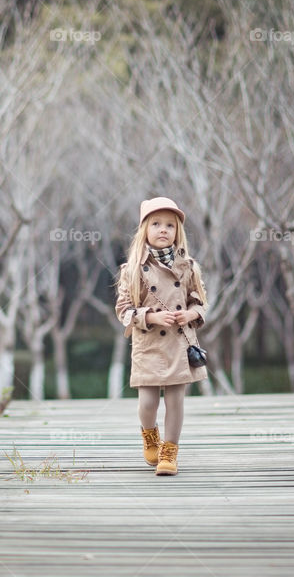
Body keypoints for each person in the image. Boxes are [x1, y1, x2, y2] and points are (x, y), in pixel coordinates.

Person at [115, 197, 208, 476]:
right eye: (156, 224)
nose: (163, 229)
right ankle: (149, 434)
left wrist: (190, 315)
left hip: (180, 343)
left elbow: (200, 302)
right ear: (144, 229)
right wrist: (152, 317)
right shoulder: (131, 270)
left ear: (178, 231)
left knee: (176, 401)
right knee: (147, 403)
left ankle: (170, 451)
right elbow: (123, 310)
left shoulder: (187, 266)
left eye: (170, 224)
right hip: (149, 345)